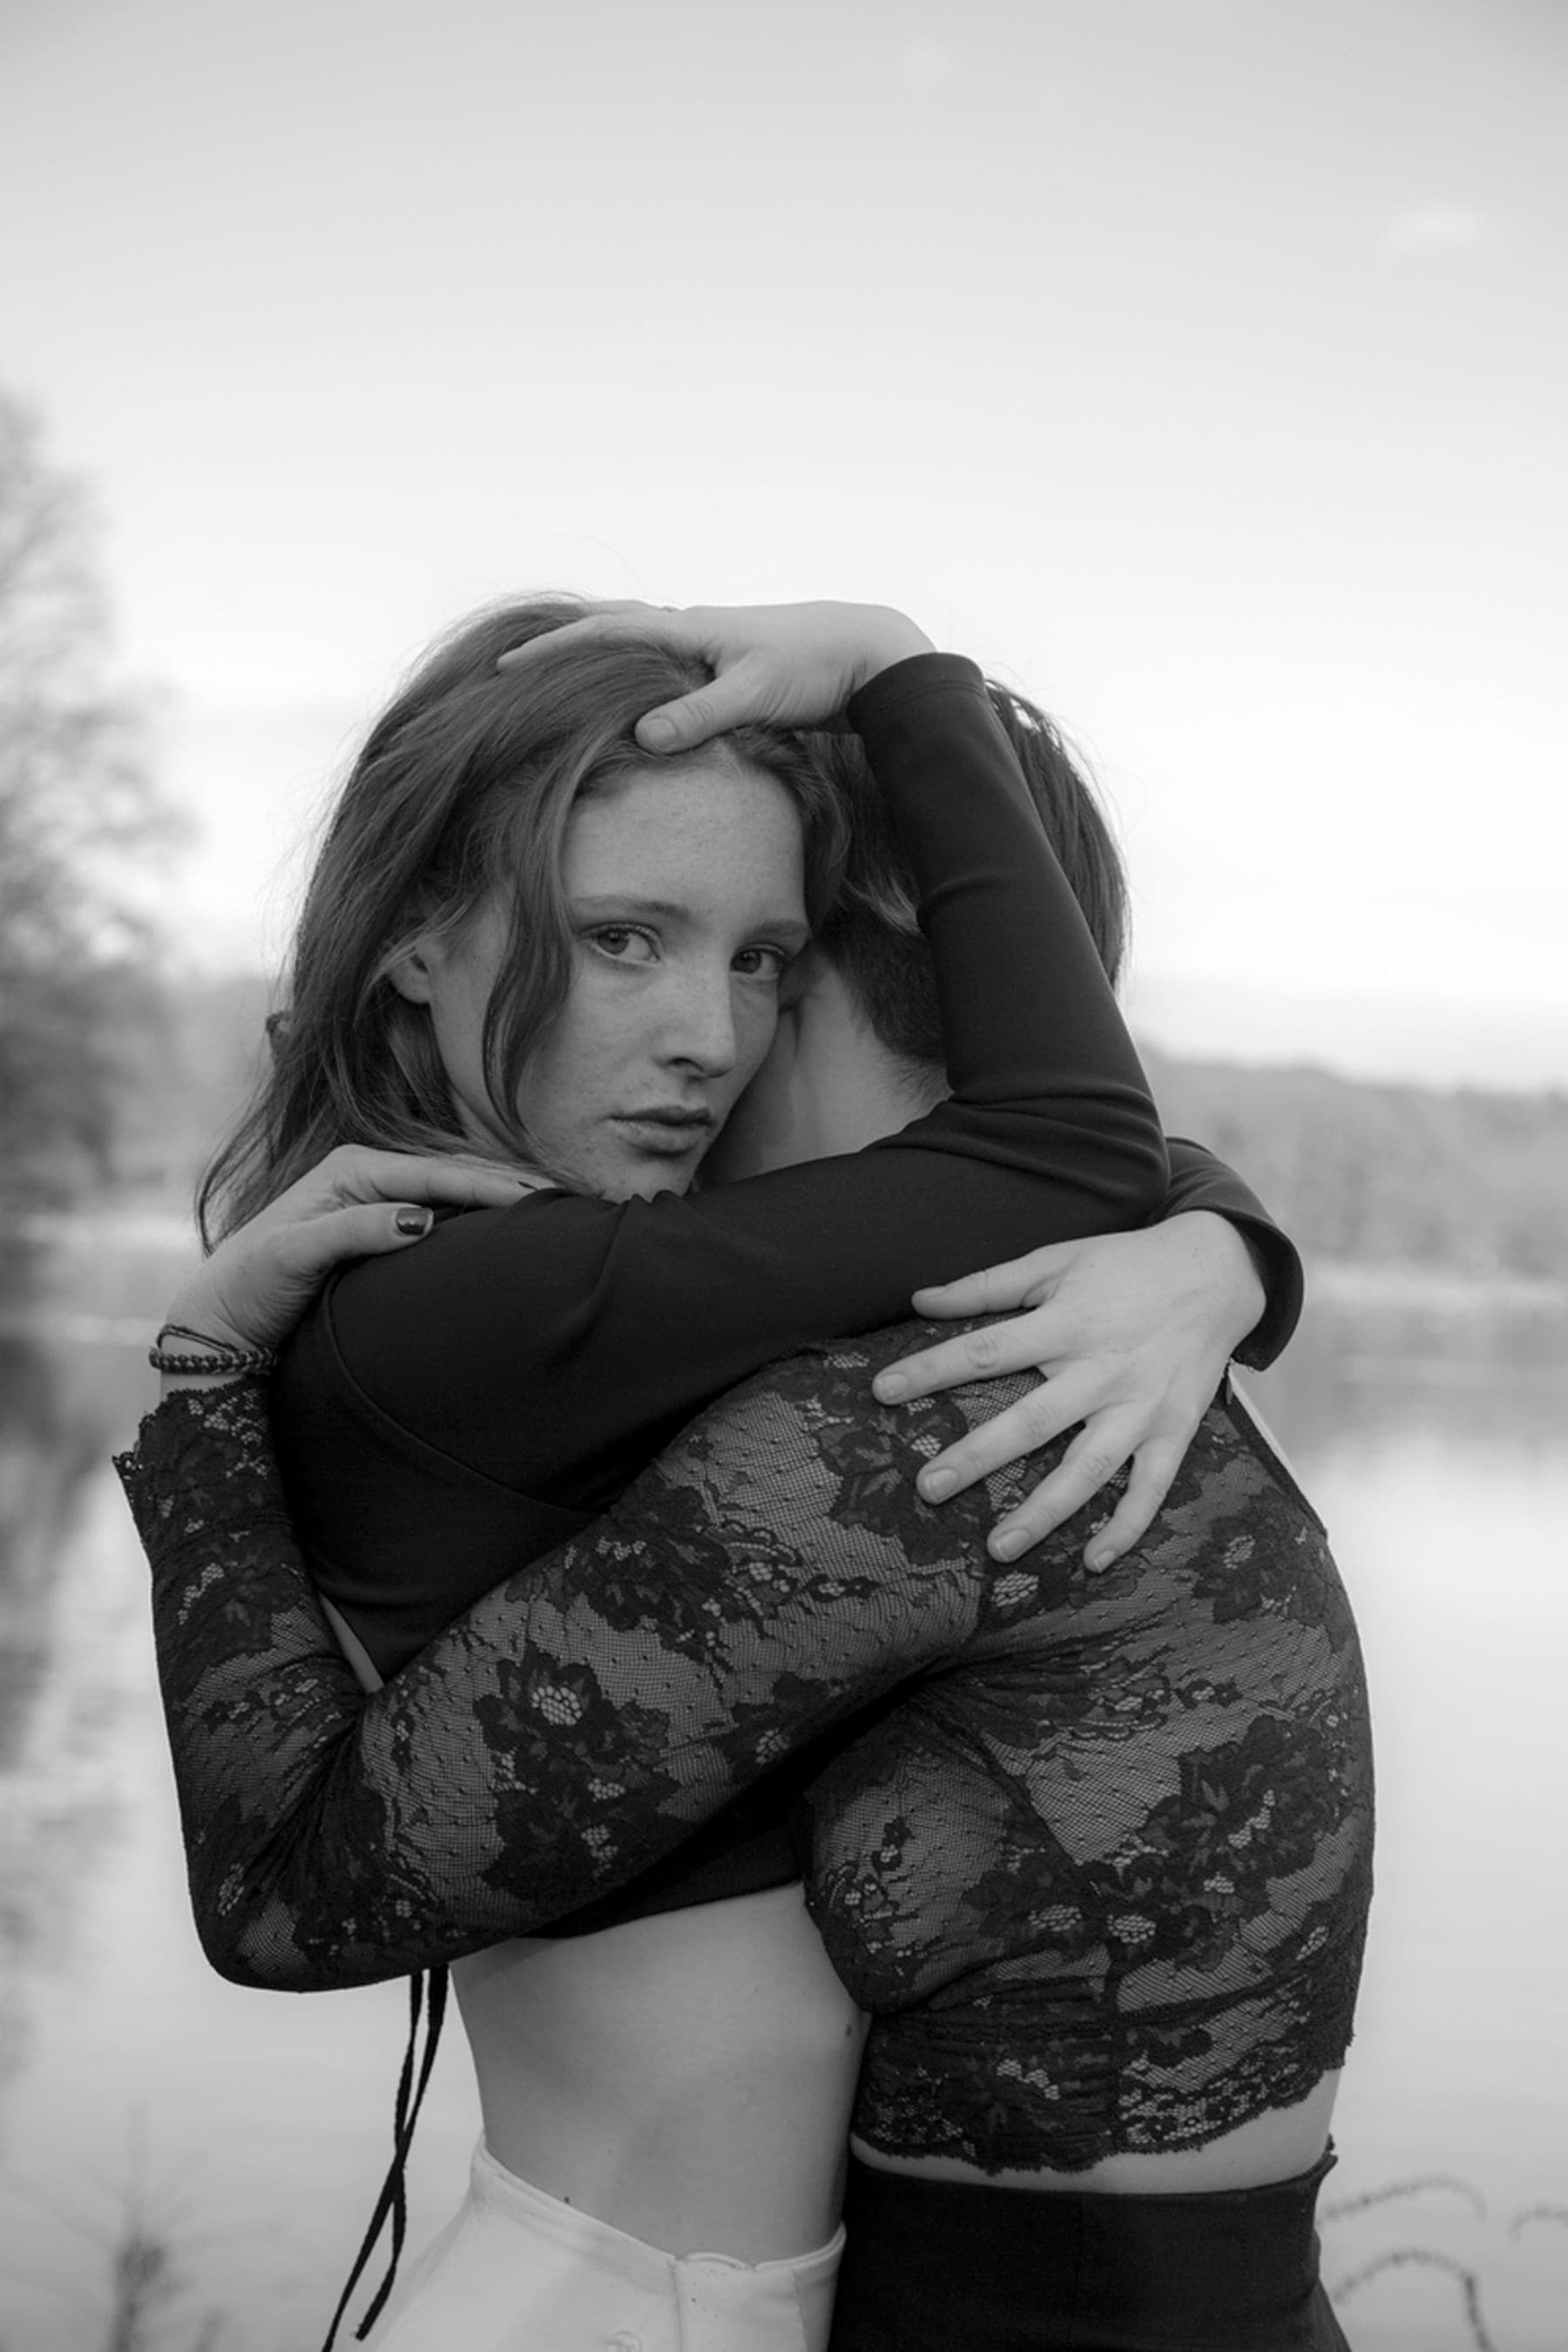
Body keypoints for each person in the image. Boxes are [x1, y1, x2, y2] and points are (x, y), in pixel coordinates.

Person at [118, 604, 1366, 2351]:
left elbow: (1080, 1159)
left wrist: (1221, 1247)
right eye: (629, 939)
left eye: (763, 962)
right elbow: (1073, 1152)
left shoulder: (927, 1377)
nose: (709, 1037)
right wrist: (195, 1393)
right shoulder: (624, 1317)